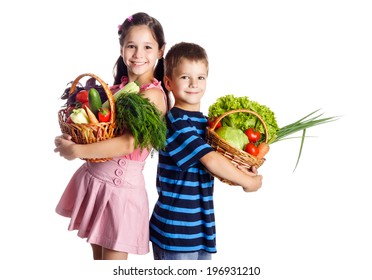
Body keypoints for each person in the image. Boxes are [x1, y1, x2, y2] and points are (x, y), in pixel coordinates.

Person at [54, 12, 168, 260]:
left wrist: (77, 152)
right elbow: (98, 132)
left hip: (121, 191)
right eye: (131, 46)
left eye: (147, 47)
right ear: (121, 48)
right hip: (96, 181)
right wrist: (72, 140)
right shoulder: (114, 89)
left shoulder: (153, 97)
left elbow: (129, 143)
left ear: (161, 51)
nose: (138, 54)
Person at [149, 42, 263, 260]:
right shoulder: (176, 121)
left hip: (200, 229)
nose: (194, 84)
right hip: (176, 231)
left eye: (200, 77)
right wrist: (249, 183)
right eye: (185, 77)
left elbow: (221, 162)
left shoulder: (206, 124)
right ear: (168, 82)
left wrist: (244, 169)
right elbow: (211, 160)